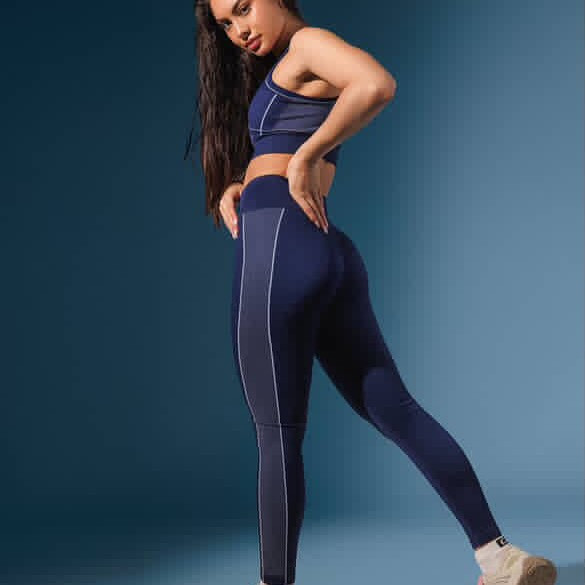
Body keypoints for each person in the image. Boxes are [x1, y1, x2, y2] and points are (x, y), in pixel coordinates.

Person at [185, 2, 558, 585]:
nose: (239, 31)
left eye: (243, 9)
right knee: (397, 410)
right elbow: (294, 138)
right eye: (227, 25)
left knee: (277, 434)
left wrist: (302, 158)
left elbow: (377, 84)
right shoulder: (294, 60)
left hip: (279, 246)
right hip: (325, 251)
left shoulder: (308, 44)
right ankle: (500, 556)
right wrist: (243, 181)